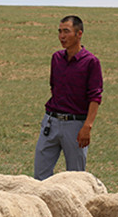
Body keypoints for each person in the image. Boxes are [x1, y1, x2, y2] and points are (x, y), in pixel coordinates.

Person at [33, 15, 102, 179]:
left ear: (79, 34)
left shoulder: (91, 62)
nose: (62, 36)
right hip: (51, 123)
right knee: (40, 177)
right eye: (59, 31)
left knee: (76, 179)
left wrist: (87, 127)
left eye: (66, 31)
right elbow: (54, 87)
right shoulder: (56, 58)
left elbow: (95, 97)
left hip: (75, 126)